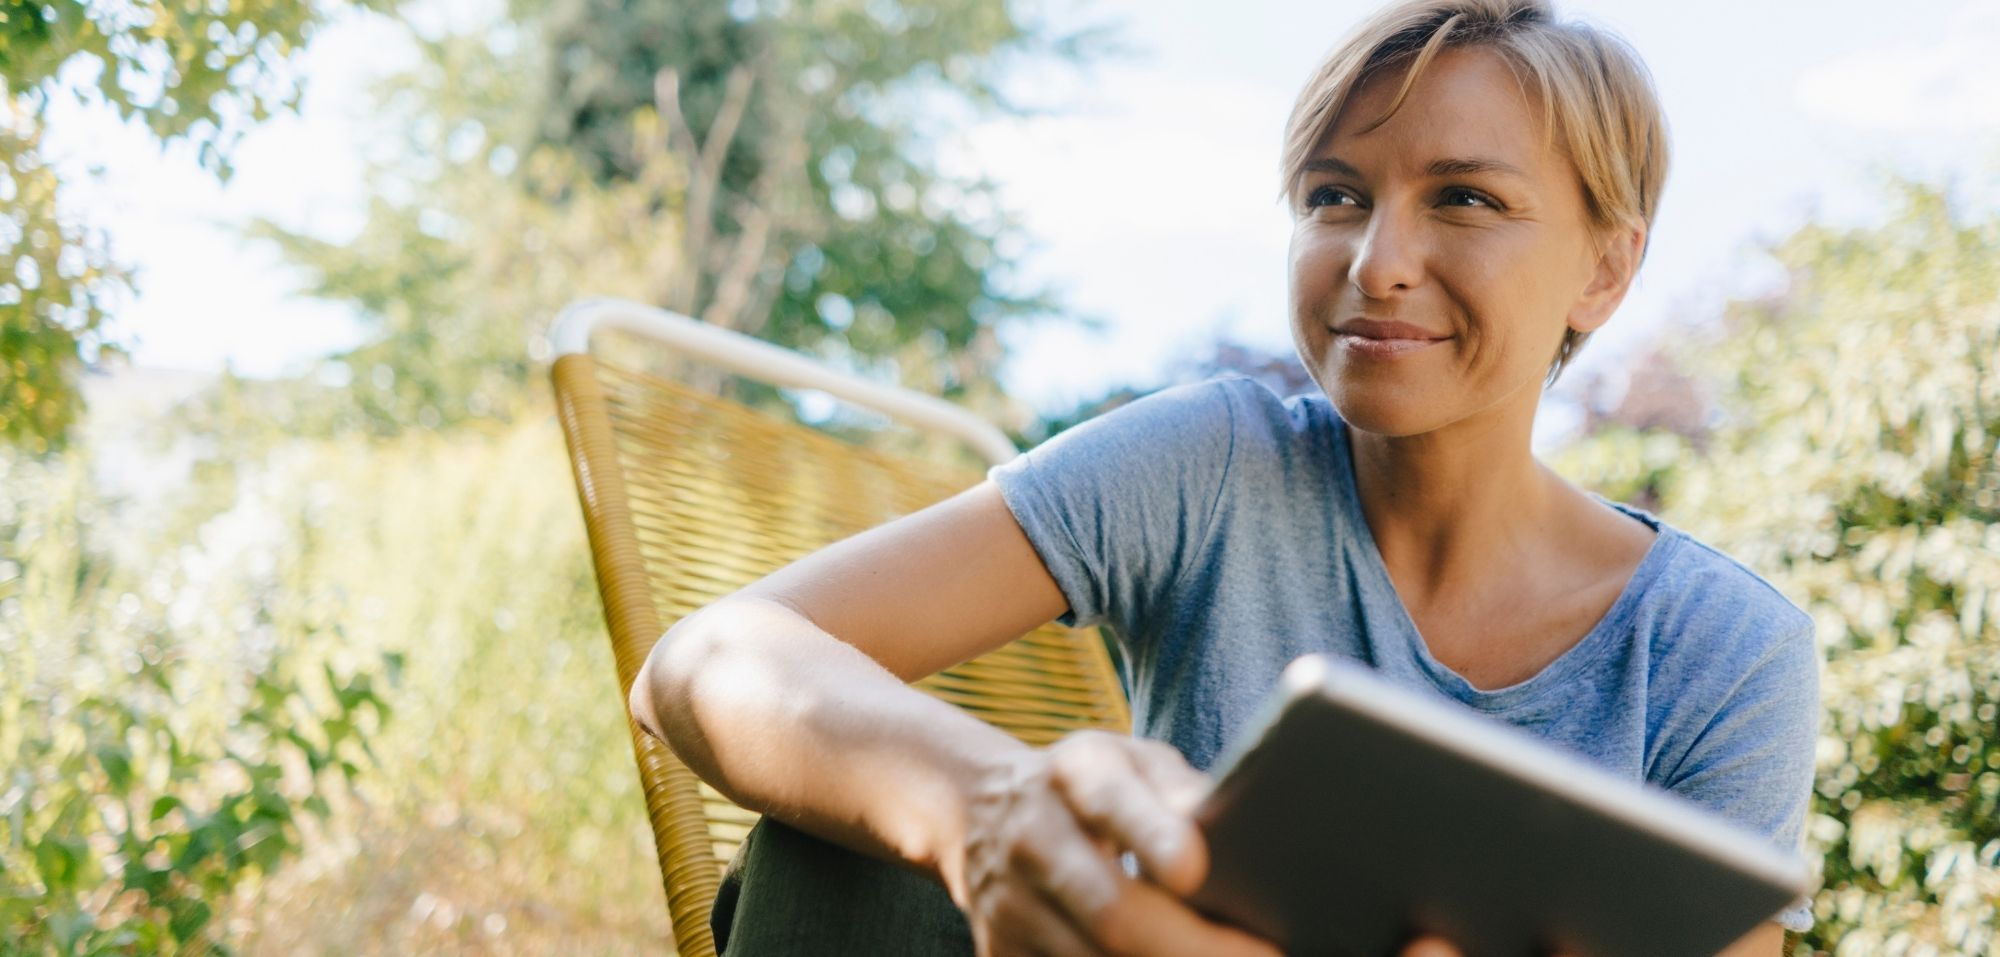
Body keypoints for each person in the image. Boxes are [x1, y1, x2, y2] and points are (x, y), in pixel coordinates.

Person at [626, 1, 1822, 955]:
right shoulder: (1215, 466)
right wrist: (980, 809)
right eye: (1333, 197)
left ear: (1604, 271)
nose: (1376, 261)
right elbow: (708, 659)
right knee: (831, 851)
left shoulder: (1717, 652)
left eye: (1464, 198)